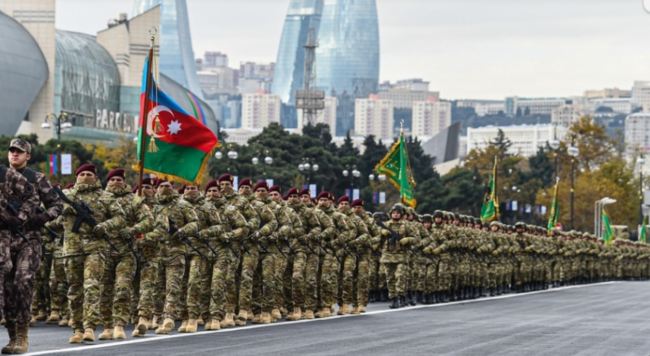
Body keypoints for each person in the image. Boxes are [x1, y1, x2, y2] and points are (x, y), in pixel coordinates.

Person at [60, 163, 126, 344]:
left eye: (89, 174)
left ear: (96, 177)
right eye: (82, 174)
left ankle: (89, 327)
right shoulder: (66, 196)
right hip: (71, 250)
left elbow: (120, 218)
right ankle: (77, 329)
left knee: (91, 286)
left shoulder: (106, 197)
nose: (85, 176)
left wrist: (104, 226)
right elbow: (50, 212)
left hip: (96, 248)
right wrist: (61, 210)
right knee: (74, 290)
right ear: (76, 177)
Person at [1, 139, 53, 354]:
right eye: (12, 151)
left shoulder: (37, 178)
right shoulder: (2, 175)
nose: (14, 154)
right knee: (7, 288)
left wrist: (43, 217)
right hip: (4, 239)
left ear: (27, 156)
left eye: (19, 152)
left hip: (28, 238)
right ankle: (12, 336)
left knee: (23, 281)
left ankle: (22, 335)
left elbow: (56, 204)